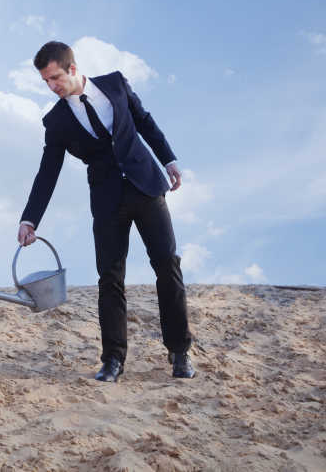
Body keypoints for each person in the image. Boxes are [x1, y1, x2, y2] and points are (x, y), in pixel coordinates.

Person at [17, 41, 195, 382]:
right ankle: (113, 360)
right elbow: (47, 172)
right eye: (46, 82)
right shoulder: (55, 121)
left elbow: (144, 121)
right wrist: (30, 219)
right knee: (110, 279)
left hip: (146, 186)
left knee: (167, 266)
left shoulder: (115, 83)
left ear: (72, 68)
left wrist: (168, 159)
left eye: (55, 78)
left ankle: (180, 352)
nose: (52, 87)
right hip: (107, 200)